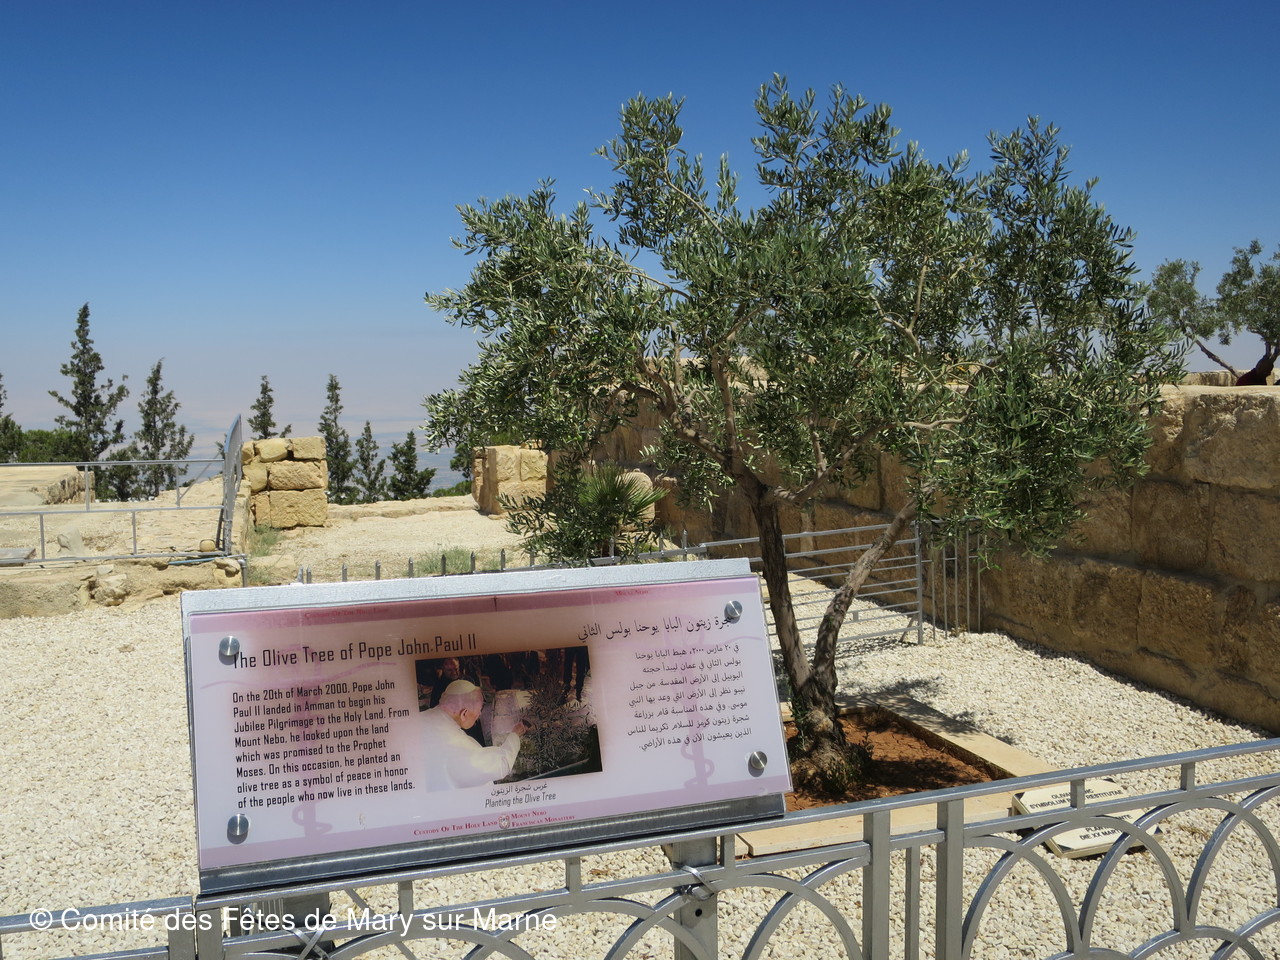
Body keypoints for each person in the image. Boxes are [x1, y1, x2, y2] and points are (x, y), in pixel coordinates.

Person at [420, 680, 528, 791]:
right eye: (479, 710)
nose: (479, 714)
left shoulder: (419, 717)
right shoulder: (458, 744)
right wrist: (514, 735)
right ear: (464, 713)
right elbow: (501, 764)